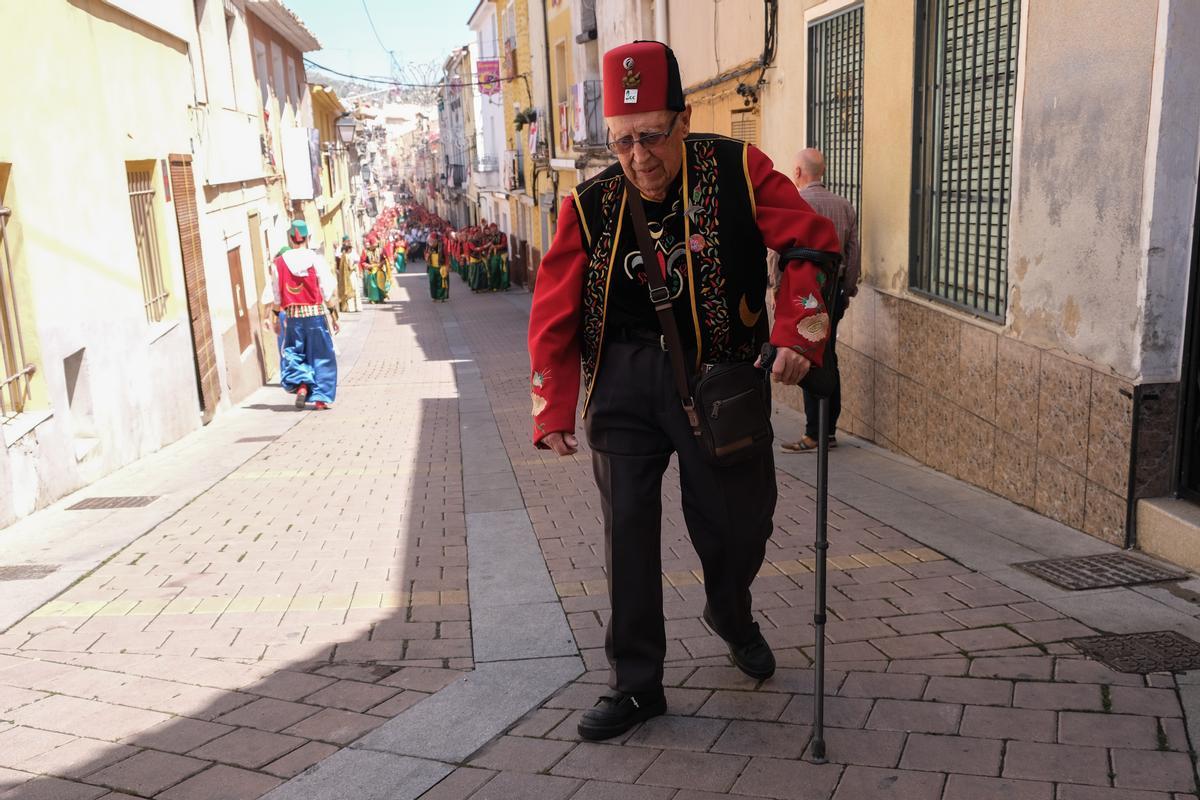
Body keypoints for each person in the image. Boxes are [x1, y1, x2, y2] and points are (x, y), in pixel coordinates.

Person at [527, 40, 839, 741]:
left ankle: (730, 611)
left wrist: (799, 330)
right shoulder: (590, 202)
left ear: (685, 120)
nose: (639, 157)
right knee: (627, 535)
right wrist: (552, 405)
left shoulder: (739, 170)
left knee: (736, 528)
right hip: (623, 384)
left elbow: (810, 241)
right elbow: (554, 305)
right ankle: (636, 685)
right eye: (624, 141)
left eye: (653, 136)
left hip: (718, 380)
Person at [780, 148, 860, 453]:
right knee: (828, 356)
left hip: (802, 295)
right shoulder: (844, 206)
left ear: (798, 172)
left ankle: (814, 432)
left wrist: (776, 289)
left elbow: (778, 252)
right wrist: (846, 291)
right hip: (833, 292)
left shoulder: (795, 204)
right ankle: (829, 431)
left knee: (807, 355)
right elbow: (853, 254)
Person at [268, 221, 339, 410]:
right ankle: (320, 399)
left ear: (290, 238)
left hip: (293, 318)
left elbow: (277, 295)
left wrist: (275, 318)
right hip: (315, 315)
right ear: (308, 237)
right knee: (322, 355)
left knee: (295, 352)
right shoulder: (316, 259)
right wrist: (333, 315)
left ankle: (301, 385)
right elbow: (325, 290)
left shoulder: (278, 263)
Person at [360, 235, 389, 303]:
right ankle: (373, 299)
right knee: (372, 286)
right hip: (371, 271)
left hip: (379, 270)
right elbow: (362, 262)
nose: (375, 246)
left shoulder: (380, 250)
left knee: (381, 284)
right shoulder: (365, 252)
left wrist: (381, 263)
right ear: (371, 245)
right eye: (374, 245)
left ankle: (381, 299)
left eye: (376, 245)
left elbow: (385, 259)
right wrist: (368, 266)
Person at [427, 230, 449, 302]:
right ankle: (434, 297)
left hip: (441, 266)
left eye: (432, 240)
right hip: (432, 267)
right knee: (432, 282)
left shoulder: (443, 246)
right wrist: (426, 257)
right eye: (430, 240)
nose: (431, 242)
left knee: (442, 282)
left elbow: (446, 256)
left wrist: (447, 266)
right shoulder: (429, 246)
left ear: (436, 240)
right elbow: (426, 254)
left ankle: (442, 296)